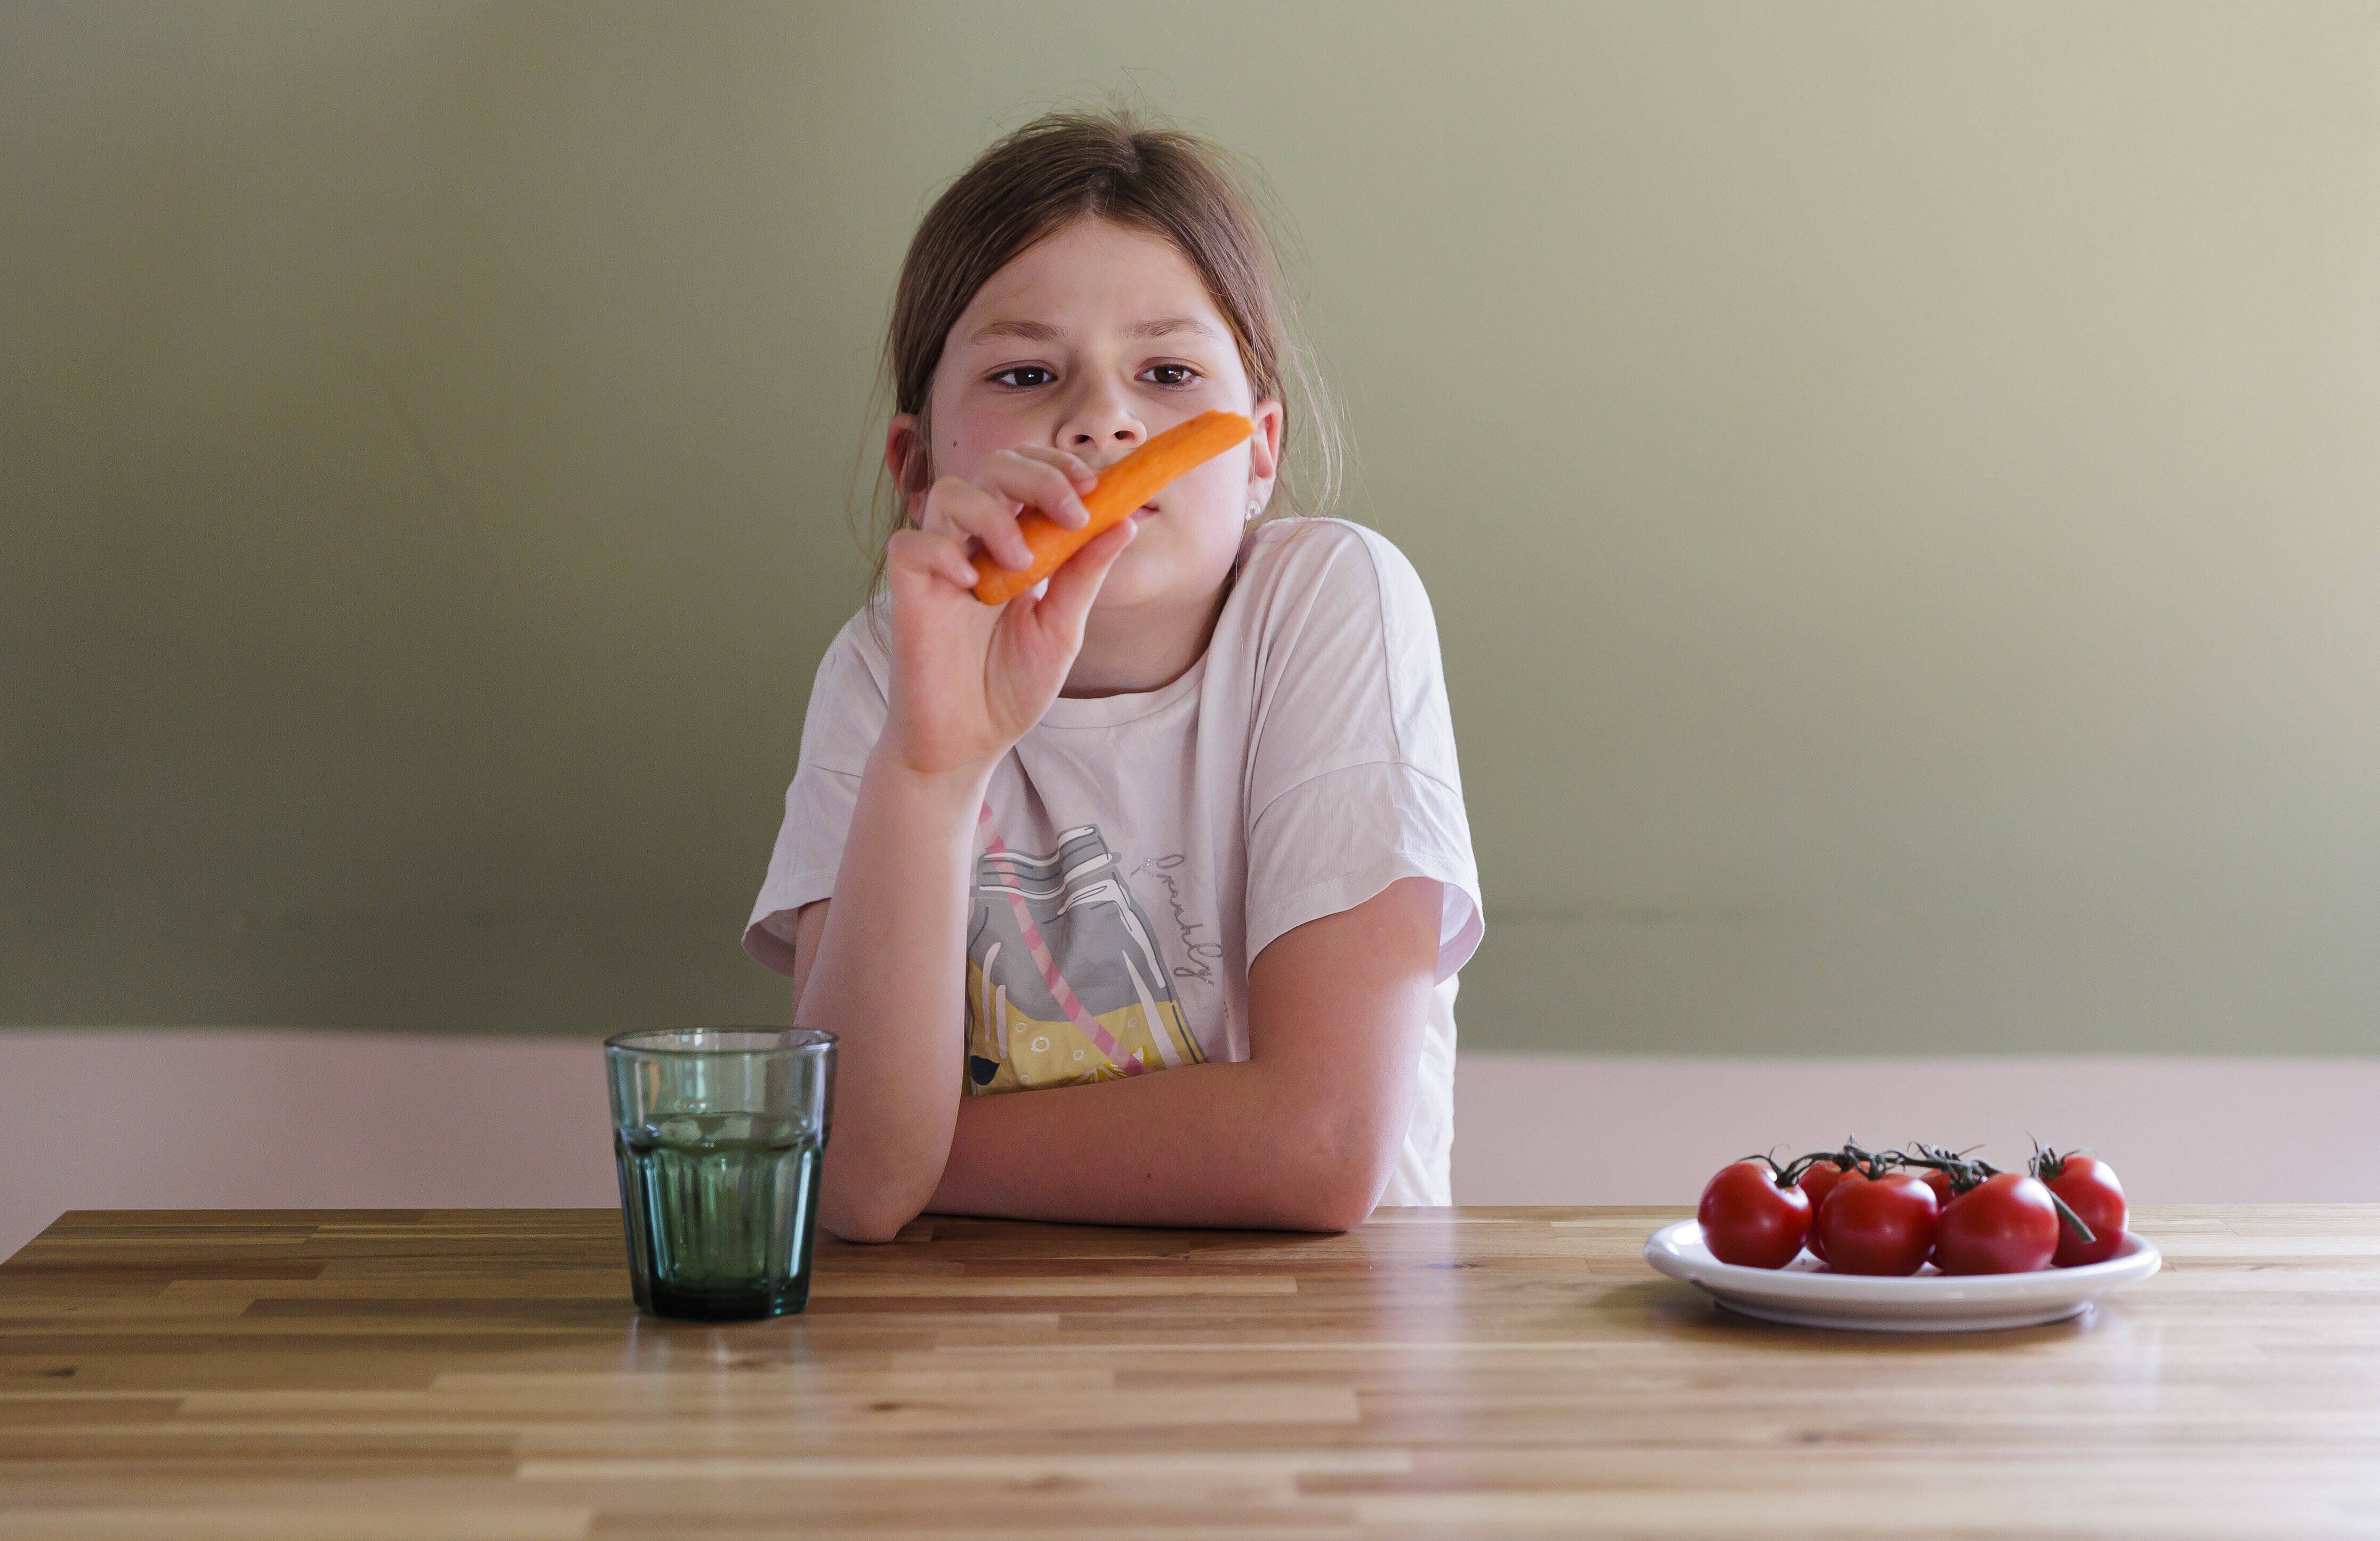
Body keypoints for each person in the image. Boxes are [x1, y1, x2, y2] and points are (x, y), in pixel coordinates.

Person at [744, 110, 1481, 1242]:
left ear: (1259, 452)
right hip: (973, 1354)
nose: (1104, 417)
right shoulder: (885, 667)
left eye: (1170, 370)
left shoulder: (1332, 602)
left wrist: (919, 1151)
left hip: (1311, 1362)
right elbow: (847, 1187)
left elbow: (1321, 1146)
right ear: (919, 467)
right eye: (1028, 372)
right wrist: (933, 769)